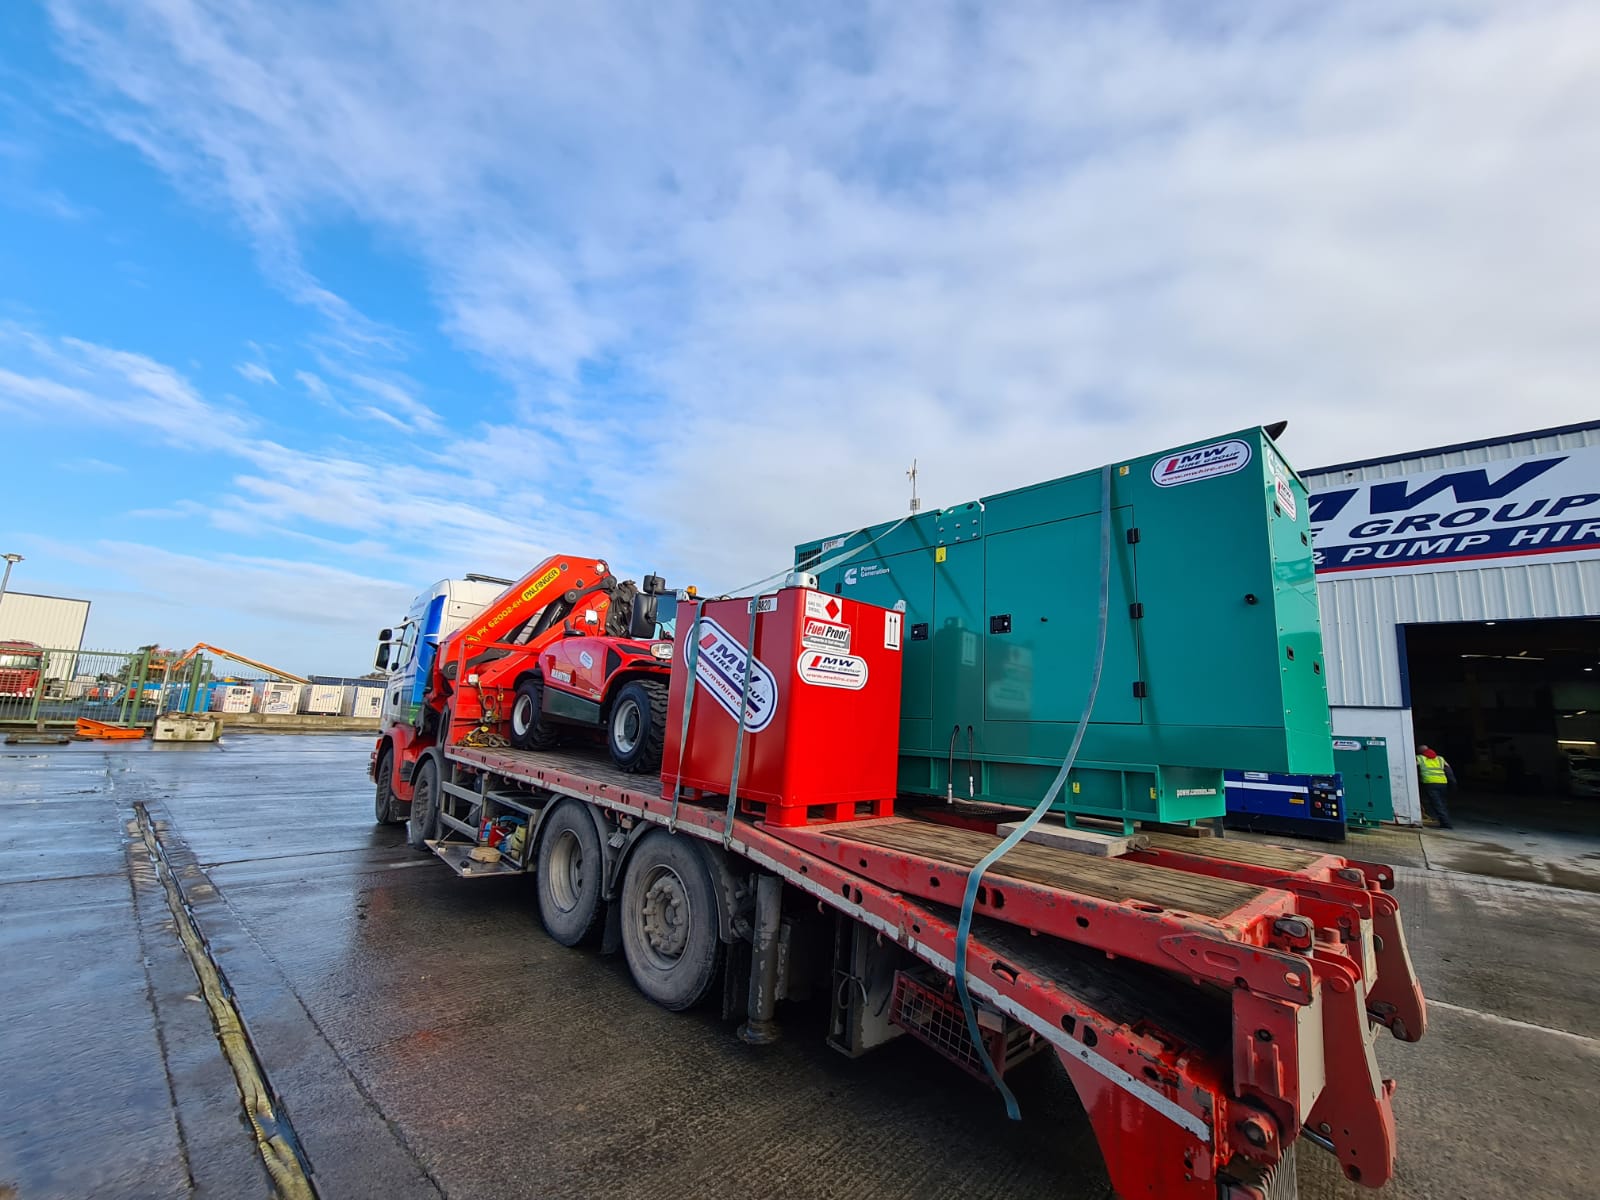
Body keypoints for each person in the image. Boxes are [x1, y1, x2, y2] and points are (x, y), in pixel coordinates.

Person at [1415, 744, 1455, 829]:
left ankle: (1446, 824)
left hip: (1430, 783)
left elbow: (1412, 768)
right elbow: (1449, 771)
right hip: (1443, 783)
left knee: (1437, 804)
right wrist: (1453, 783)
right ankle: (1445, 822)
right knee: (1442, 803)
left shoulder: (1420, 758)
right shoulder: (1440, 759)